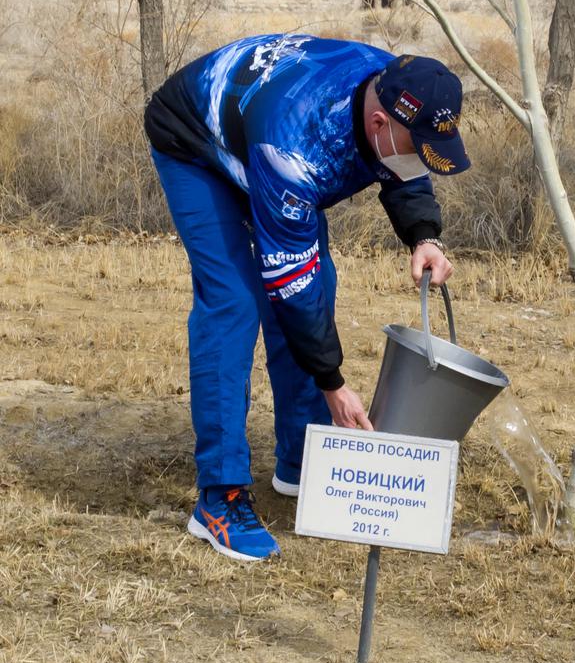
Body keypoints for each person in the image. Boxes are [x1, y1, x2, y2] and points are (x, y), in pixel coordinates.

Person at [144, 33, 469, 563]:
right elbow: (290, 285)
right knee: (236, 301)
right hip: (195, 138)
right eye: (417, 150)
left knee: (317, 286)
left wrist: (423, 236)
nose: (421, 163)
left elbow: (403, 170)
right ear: (379, 125)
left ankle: (302, 460)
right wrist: (333, 383)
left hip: (262, 124)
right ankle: (219, 499)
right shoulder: (294, 151)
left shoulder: (401, 83)